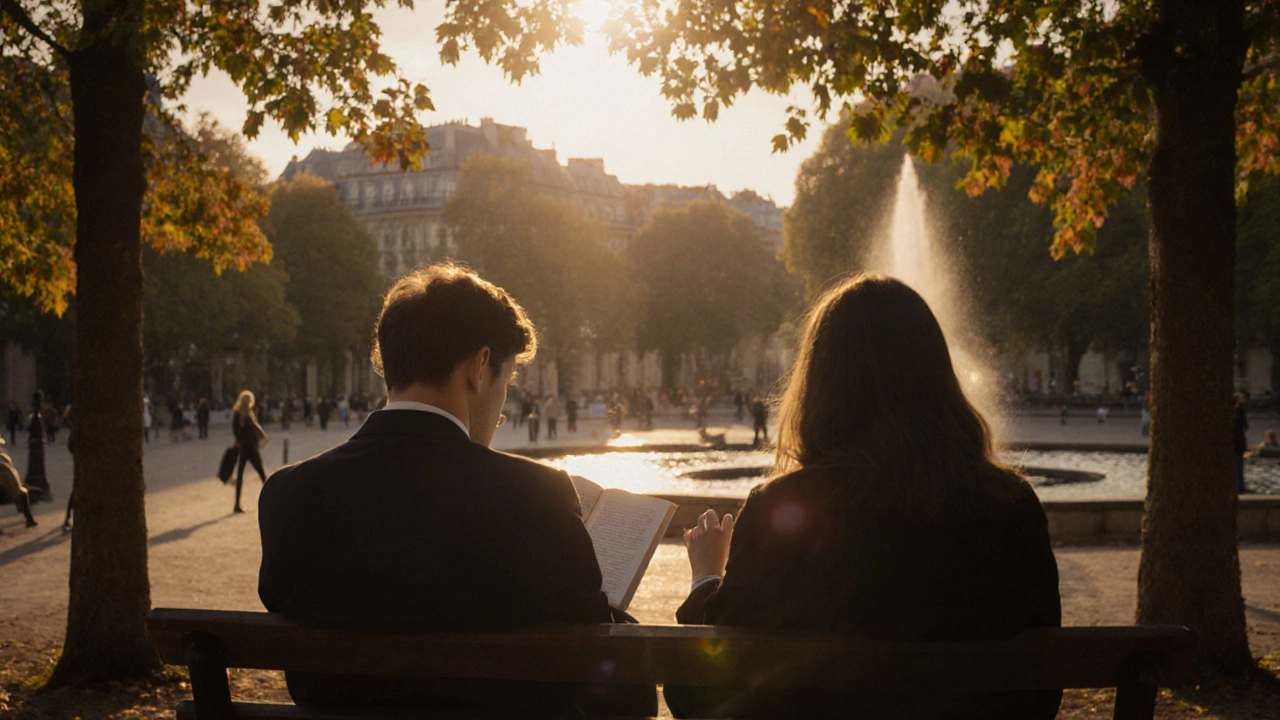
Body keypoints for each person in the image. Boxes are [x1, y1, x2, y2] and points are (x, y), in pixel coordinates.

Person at [257, 263, 655, 716]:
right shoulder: (534, 495)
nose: (502, 409)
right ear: (480, 368)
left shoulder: (287, 495)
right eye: (506, 382)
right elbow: (598, 661)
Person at [665, 275, 1061, 720]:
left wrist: (705, 579)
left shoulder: (785, 509)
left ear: (821, 382)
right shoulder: (1012, 507)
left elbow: (701, 697)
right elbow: (1041, 689)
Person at [231, 390, 268, 514]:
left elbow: (236, 432)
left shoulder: (237, 415)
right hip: (251, 448)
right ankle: (272, 496)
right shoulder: (248, 415)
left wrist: (239, 441)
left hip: (243, 448)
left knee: (240, 475)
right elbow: (253, 429)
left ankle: (237, 504)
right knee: (262, 474)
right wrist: (261, 437)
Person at [0, 438, 38, 529]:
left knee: (22, 493)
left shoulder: (4, 458)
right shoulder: (4, 458)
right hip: (8, 492)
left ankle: (29, 518)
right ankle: (29, 519)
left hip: (6, 492)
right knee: (22, 493)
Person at [1233, 392, 1249, 495]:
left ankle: (1239, 487)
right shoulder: (1240, 412)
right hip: (1239, 442)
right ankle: (1240, 487)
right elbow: (1245, 427)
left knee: (1236, 466)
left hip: (1235, 442)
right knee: (1239, 466)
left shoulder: (1235, 412)